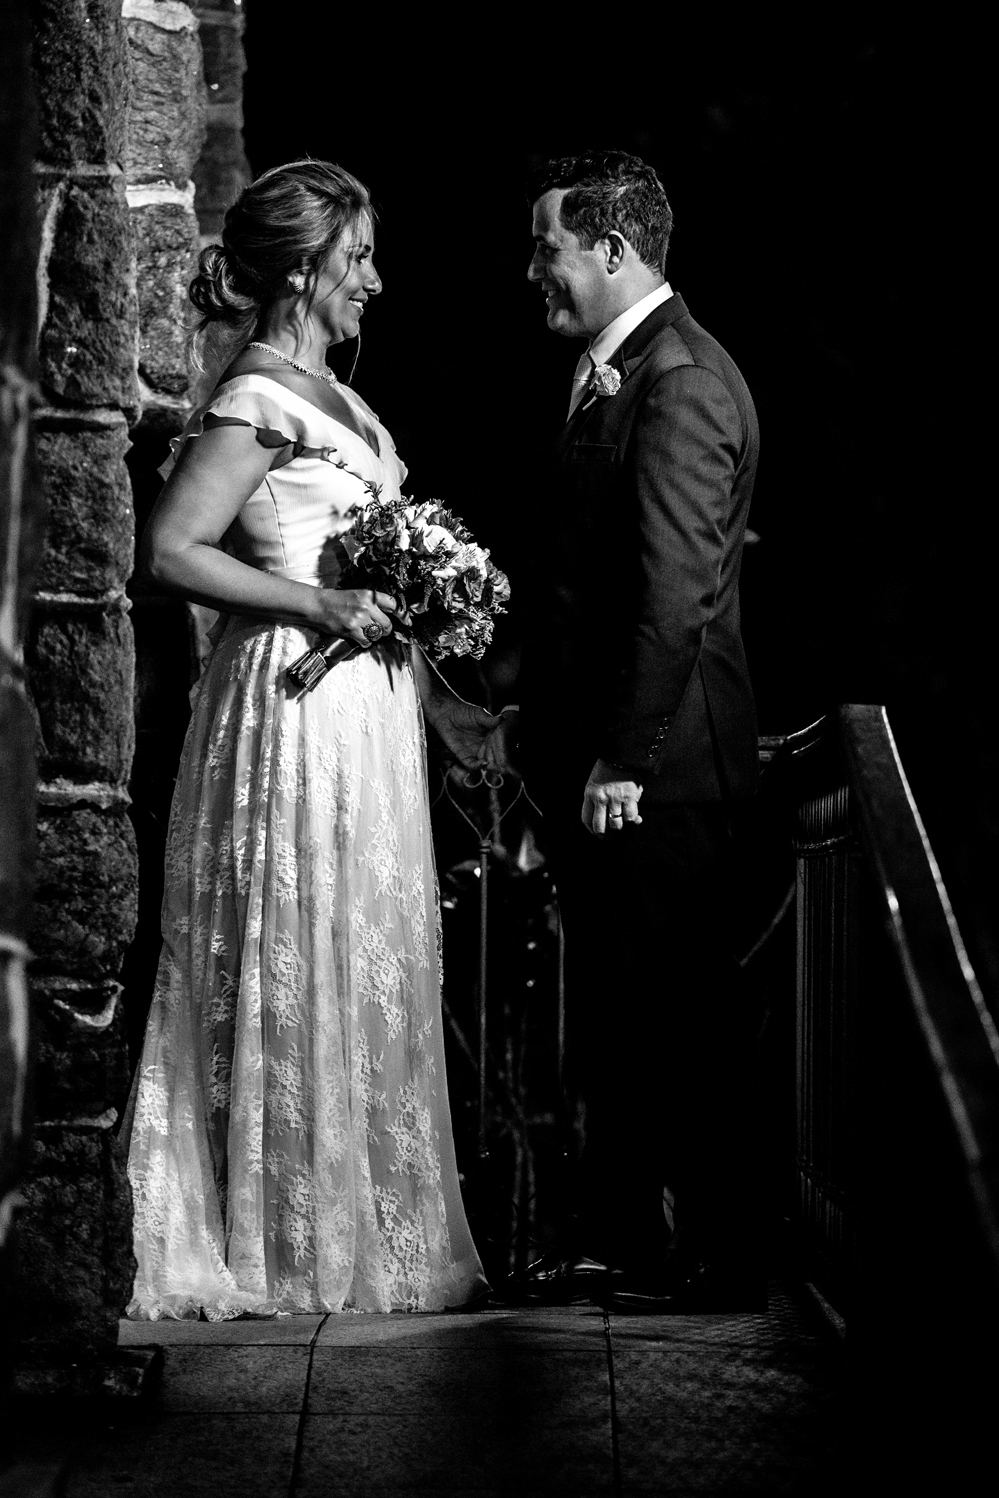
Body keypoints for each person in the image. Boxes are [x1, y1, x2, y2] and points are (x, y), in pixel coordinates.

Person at [123, 159, 494, 1319]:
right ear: (302, 267)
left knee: (364, 937)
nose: (374, 282)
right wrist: (320, 604)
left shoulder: (342, 399)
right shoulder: (259, 393)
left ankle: (366, 1217)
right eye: (359, 260)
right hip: (293, 704)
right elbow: (173, 550)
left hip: (366, 717)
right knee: (299, 932)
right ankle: (280, 1231)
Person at [506, 150, 762, 1312]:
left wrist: (624, 755)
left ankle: (717, 1260)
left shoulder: (683, 382)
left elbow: (674, 593)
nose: (533, 272)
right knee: (628, 1010)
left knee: (682, 1015)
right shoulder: (628, 371)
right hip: (625, 765)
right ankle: (632, 1238)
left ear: (612, 251)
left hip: (665, 773)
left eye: (548, 248)